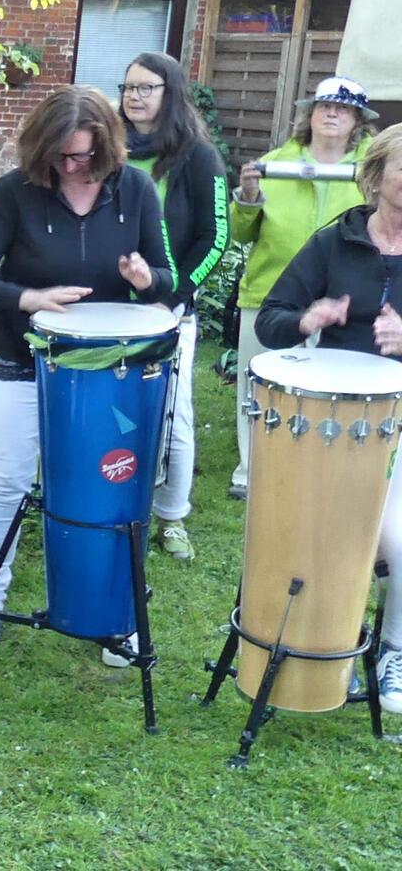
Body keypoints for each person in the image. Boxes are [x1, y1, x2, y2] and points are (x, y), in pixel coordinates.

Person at [0, 86, 172, 661]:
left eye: (82, 157)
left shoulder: (136, 190)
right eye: (61, 156)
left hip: (110, 370)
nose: (72, 167)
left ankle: (112, 613)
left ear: (105, 146)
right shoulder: (15, 192)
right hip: (21, 358)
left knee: (110, 485)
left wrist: (146, 279)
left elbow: (169, 277)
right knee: (7, 478)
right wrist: (29, 297)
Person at [255, 123, 402, 714]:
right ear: (378, 175)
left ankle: (392, 650)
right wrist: (307, 319)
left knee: (393, 537)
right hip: (333, 423)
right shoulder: (334, 242)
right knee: (322, 535)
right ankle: (311, 639)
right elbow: (271, 319)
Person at [229, 75, 381, 498]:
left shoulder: (377, 170)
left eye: (343, 108)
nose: (332, 113)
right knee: (259, 384)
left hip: (346, 303)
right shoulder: (275, 163)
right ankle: (251, 468)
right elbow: (242, 235)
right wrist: (248, 198)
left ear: (358, 121)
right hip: (271, 293)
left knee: (333, 391)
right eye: (323, 106)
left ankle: (321, 466)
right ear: (309, 114)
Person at [118, 53, 229, 559]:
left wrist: (177, 294)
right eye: (128, 87)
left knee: (173, 414)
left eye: (147, 87)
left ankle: (171, 516)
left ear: (172, 92)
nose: (134, 96)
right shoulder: (108, 148)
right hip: (108, 309)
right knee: (112, 408)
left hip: (169, 311)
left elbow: (216, 236)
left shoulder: (198, 156)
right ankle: (112, 502)